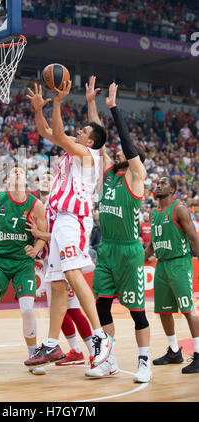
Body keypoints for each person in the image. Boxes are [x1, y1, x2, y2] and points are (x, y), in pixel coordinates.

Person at [24, 81, 111, 371]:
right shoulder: (75, 152)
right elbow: (46, 132)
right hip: (61, 219)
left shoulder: (88, 155)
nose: (80, 131)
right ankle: (51, 344)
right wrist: (39, 110)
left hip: (73, 219)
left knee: (72, 275)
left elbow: (59, 133)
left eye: (84, 131)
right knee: (57, 284)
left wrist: (57, 100)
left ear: (90, 142)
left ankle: (99, 337)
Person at [85, 77, 151, 383]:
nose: (121, 153)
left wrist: (114, 108)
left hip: (129, 250)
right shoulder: (109, 173)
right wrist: (91, 103)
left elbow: (125, 143)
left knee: (137, 312)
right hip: (107, 249)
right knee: (101, 307)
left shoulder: (136, 176)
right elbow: (97, 140)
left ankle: (144, 362)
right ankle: (108, 359)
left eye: (127, 151)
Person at [0, 166, 47, 369]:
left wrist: (36, 249)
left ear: (27, 181)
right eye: (13, 172)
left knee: (28, 309)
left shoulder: (36, 205)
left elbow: (43, 233)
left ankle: (33, 354)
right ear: (6, 181)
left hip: (23, 262)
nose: (17, 173)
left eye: (20, 172)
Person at [26, 173, 95, 369]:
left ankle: (93, 352)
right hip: (49, 260)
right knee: (56, 310)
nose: (46, 180)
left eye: (51, 177)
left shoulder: (61, 205)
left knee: (72, 309)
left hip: (65, 259)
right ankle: (76, 351)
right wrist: (36, 249)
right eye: (43, 178)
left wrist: (40, 237)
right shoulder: (39, 206)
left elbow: (61, 234)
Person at [145, 176, 199, 373]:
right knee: (164, 310)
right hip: (161, 265)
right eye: (157, 183)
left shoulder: (179, 209)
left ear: (172, 191)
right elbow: (153, 243)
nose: (158, 185)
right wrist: (139, 260)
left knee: (187, 309)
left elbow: (193, 238)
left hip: (179, 263)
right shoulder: (153, 213)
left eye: (163, 184)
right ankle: (174, 351)